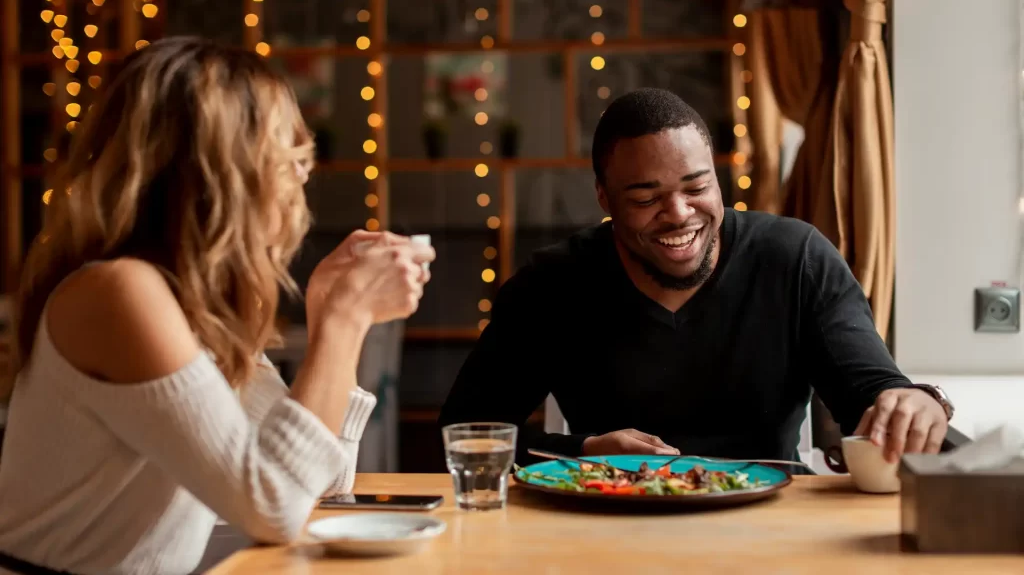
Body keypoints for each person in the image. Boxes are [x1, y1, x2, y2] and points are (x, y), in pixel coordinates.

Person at [0, 37, 434, 575]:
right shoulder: (119, 293)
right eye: (288, 154)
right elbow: (273, 506)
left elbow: (322, 481)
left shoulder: (186, 301)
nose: (302, 177)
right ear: (217, 169)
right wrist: (345, 321)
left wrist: (327, 311)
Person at [439, 88, 952, 468]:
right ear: (605, 199)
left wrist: (918, 401)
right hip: (606, 527)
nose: (679, 213)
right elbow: (463, 435)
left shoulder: (795, 258)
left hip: (770, 530)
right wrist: (583, 453)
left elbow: (872, 394)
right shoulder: (552, 283)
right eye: (645, 199)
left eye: (697, 187)